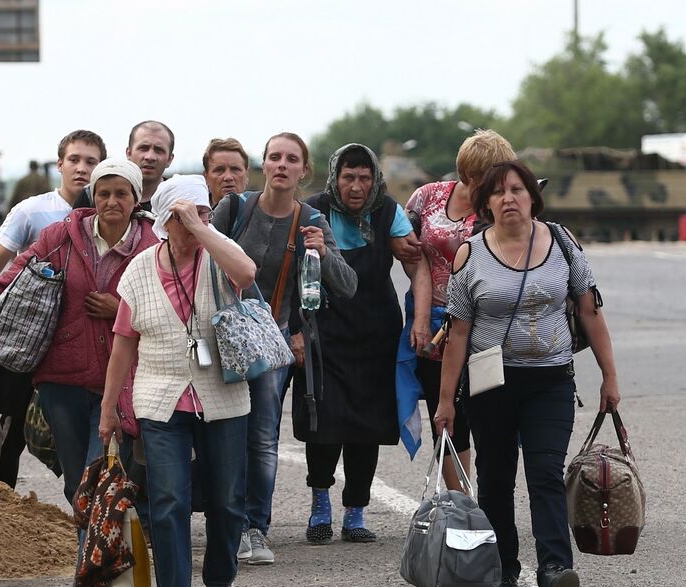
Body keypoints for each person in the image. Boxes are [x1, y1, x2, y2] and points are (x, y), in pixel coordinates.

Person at [0, 157, 158, 587]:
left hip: (121, 383)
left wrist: (120, 310)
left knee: (100, 476)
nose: (112, 201)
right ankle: (92, 578)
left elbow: (172, 306)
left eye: (122, 194)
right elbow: (7, 281)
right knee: (79, 484)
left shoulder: (152, 245)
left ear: (135, 199)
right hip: (61, 380)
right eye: (104, 193)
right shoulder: (61, 238)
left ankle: (90, 584)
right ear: (93, 195)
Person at [434, 160, 620, 587]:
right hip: (490, 383)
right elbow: (458, 332)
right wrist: (445, 401)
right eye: (498, 192)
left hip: (551, 381)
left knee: (544, 473)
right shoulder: (470, 254)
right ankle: (504, 570)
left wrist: (610, 377)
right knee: (496, 478)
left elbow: (590, 311)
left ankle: (555, 568)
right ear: (486, 203)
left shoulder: (562, 244)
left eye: (517, 189)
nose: (509, 198)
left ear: (532, 197)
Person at [99, 174, 256, 587]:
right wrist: (110, 408)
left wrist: (205, 228)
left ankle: (221, 573)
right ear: (166, 221)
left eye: (204, 212)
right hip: (160, 399)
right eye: (187, 215)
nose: (197, 221)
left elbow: (247, 274)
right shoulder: (141, 269)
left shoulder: (218, 254)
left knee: (228, 499)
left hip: (222, 396)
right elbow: (123, 344)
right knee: (169, 499)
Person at [211, 132, 357, 565]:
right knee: (222, 436)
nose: (281, 165)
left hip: (271, 347)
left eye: (290, 159)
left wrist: (323, 254)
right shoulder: (234, 209)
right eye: (274, 157)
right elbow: (200, 264)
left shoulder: (311, 218)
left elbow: (347, 286)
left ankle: (255, 529)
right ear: (264, 165)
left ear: (303, 171)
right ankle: (226, 525)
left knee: (261, 439)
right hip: (222, 339)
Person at [0, 130, 106, 488]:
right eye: (74, 159)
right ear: (59, 164)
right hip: (21, 342)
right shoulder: (32, 210)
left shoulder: (110, 214)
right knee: (5, 435)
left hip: (76, 346)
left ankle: (85, 526)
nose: (82, 168)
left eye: (91, 161)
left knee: (74, 444)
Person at [298, 143, 412, 543]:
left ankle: (356, 512)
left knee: (366, 428)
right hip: (324, 334)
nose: (357, 185)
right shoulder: (312, 209)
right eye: (349, 176)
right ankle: (320, 507)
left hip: (375, 335)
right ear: (335, 177)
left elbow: (415, 260)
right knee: (323, 426)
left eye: (365, 176)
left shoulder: (387, 212)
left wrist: (424, 317)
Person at [401, 130, 517, 488]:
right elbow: (407, 252)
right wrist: (421, 314)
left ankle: (493, 501)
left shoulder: (500, 210)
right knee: (448, 417)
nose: (498, 186)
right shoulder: (427, 198)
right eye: (489, 177)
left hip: (485, 328)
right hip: (432, 326)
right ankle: (461, 504)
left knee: (489, 417)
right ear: (468, 174)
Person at [203, 138, 249, 207]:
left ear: (246, 175)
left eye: (235, 169)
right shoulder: (193, 215)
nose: (228, 177)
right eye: (219, 170)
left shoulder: (263, 214)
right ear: (206, 177)